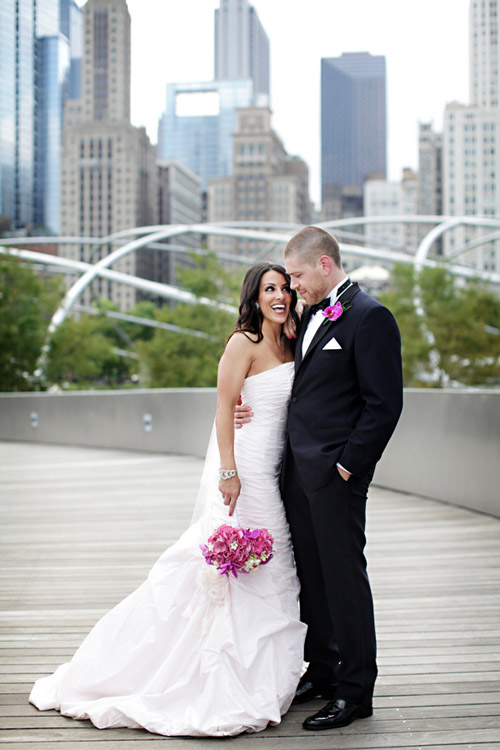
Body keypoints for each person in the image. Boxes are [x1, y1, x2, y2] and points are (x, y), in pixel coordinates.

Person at [29, 262, 307, 737]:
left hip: (276, 469)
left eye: (284, 288)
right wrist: (228, 472)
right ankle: (218, 677)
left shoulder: (293, 339)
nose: (279, 296)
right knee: (235, 571)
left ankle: (269, 674)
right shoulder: (245, 343)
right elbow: (224, 406)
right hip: (247, 468)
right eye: (269, 289)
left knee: (275, 565)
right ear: (254, 297)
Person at [236, 226, 403, 731]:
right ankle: (324, 667)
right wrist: (248, 407)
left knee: (344, 580)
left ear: (324, 266)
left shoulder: (371, 318)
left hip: (335, 477)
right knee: (311, 576)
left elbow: (384, 405)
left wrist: (348, 466)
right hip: (294, 473)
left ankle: (355, 691)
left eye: (299, 275)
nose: (292, 286)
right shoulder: (308, 316)